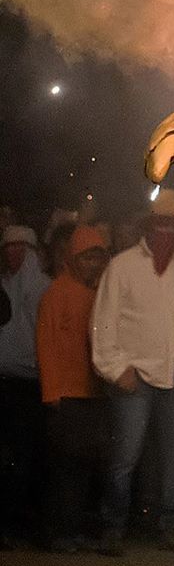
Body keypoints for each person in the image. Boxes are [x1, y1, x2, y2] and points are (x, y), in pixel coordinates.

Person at [92, 190, 174, 553]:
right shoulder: (123, 266)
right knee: (125, 456)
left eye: (172, 224)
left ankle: (170, 528)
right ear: (148, 225)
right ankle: (112, 530)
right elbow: (103, 323)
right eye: (160, 223)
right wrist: (116, 369)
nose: (166, 230)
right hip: (135, 372)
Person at [35, 225, 111, 551]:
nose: (93, 264)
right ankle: (59, 533)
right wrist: (51, 392)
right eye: (87, 257)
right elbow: (46, 343)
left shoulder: (97, 296)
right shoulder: (57, 293)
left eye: (98, 257)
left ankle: (71, 529)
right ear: (74, 259)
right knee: (65, 468)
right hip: (65, 395)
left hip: (90, 394)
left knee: (82, 468)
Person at [0, 224, 50, 546]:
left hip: (29, 385)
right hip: (3, 381)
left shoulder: (44, 289)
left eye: (21, 248)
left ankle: (16, 524)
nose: (13, 253)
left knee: (23, 457)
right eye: (8, 247)